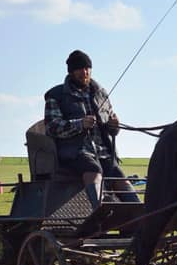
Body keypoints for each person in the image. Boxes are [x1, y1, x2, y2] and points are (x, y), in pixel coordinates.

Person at [44, 50, 139, 208]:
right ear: (71, 72)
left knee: (117, 174)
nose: (85, 72)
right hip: (75, 151)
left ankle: (138, 213)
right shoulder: (56, 95)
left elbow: (111, 124)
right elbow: (52, 127)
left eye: (87, 68)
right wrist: (79, 124)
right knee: (93, 168)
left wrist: (114, 126)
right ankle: (99, 210)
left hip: (103, 150)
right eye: (80, 69)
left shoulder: (100, 93)